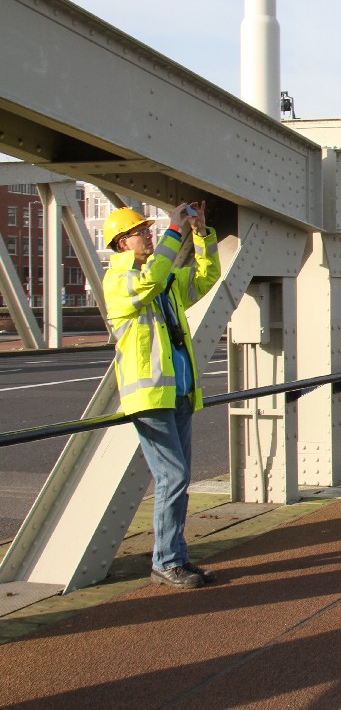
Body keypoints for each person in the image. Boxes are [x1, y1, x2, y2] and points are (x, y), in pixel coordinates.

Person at [102, 202, 220, 589]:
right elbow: (149, 281)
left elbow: (206, 278)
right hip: (150, 397)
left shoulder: (163, 279)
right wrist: (174, 229)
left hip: (178, 392)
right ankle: (166, 561)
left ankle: (177, 558)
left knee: (179, 479)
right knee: (173, 476)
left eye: (149, 230)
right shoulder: (119, 281)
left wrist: (201, 235)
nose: (148, 236)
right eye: (141, 232)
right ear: (122, 243)